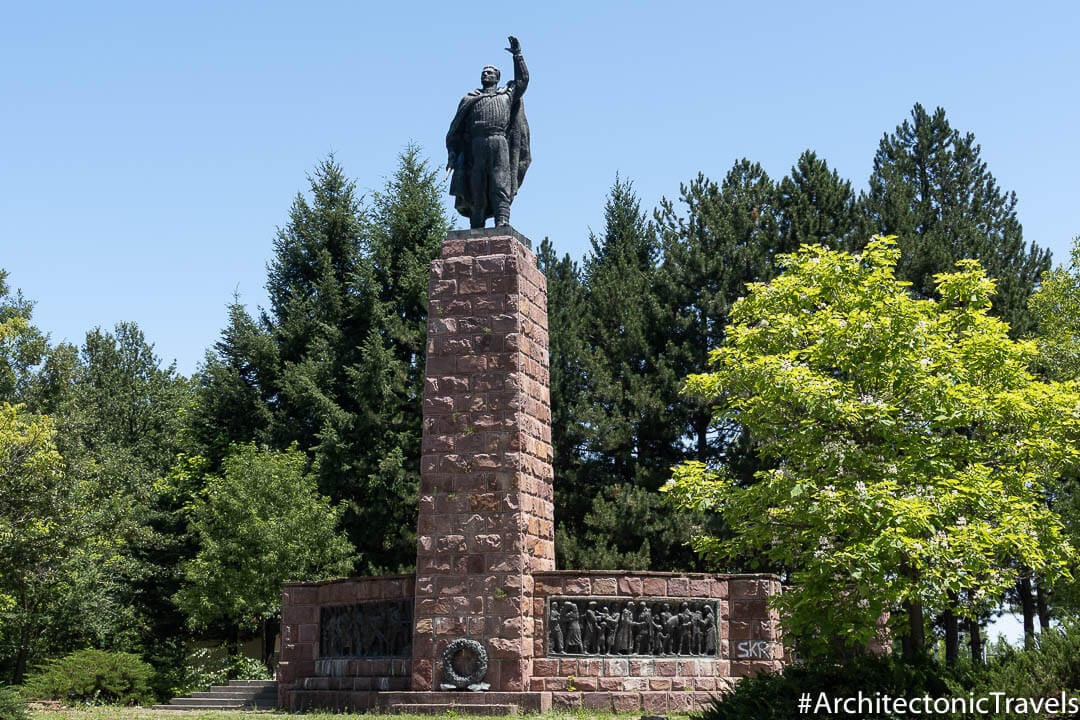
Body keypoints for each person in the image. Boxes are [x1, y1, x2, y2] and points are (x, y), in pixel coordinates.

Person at [446, 35, 531, 229]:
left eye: (490, 72)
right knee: (476, 183)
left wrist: (517, 55)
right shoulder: (470, 99)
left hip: (498, 141)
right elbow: (456, 130)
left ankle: (502, 221)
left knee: (500, 181)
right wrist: (453, 153)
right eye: (484, 72)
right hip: (475, 144)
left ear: (497, 77)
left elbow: (523, 81)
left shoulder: (506, 95)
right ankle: (477, 222)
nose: (486, 74)